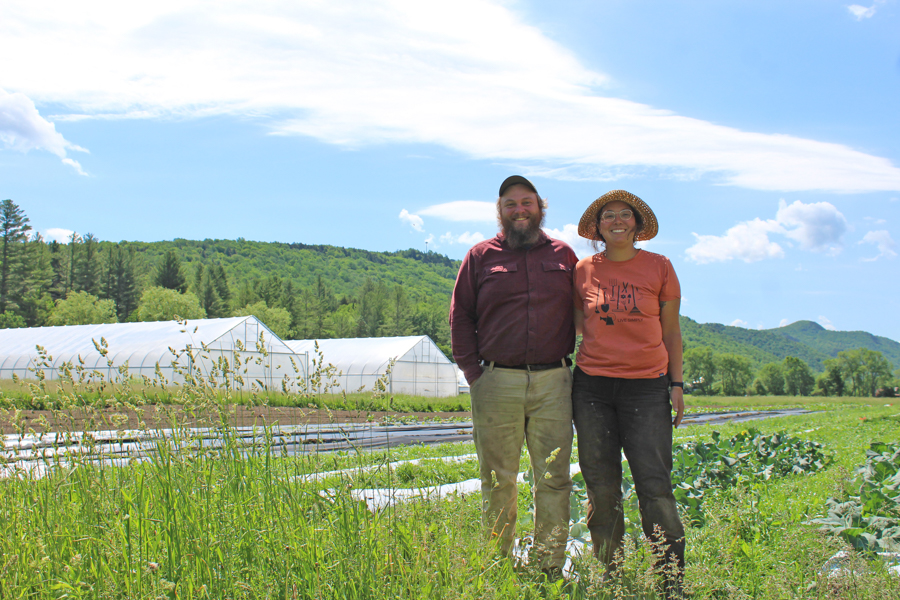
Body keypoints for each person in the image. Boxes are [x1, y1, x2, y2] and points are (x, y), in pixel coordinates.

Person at [450, 175, 578, 575]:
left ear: (541, 206)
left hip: (554, 381)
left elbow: (585, 313)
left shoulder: (564, 256)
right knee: (497, 478)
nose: (519, 210)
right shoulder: (480, 256)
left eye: (527, 203)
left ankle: (548, 564)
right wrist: (475, 374)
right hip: (496, 382)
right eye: (510, 204)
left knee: (555, 477)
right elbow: (460, 317)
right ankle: (497, 563)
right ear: (500, 211)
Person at [572, 190, 686, 596]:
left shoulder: (660, 267)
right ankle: (611, 574)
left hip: (647, 386)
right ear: (598, 227)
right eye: (608, 216)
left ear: (637, 226)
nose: (616, 221)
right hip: (591, 387)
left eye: (625, 215)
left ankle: (670, 579)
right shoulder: (584, 269)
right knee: (601, 486)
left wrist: (676, 384)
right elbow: (575, 325)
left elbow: (671, 331)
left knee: (654, 484)